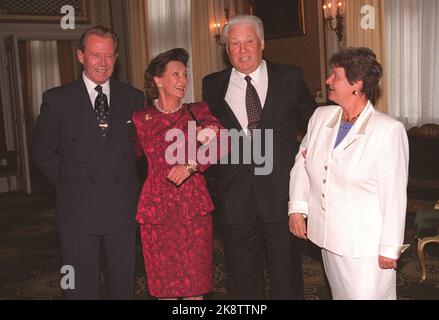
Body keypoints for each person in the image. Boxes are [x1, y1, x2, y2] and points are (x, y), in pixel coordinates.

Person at [202, 14, 316, 299]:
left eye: (249, 41)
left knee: (286, 276)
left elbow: (314, 128)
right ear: (226, 49)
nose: (242, 50)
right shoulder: (212, 84)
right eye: (234, 43)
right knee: (242, 279)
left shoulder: (291, 77)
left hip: (280, 195)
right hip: (235, 196)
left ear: (262, 43)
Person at [32, 26, 145, 299]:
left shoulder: (134, 98)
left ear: (116, 58)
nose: (103, 63)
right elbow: (43, 152)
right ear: (80, 56)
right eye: (96, 55)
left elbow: (140, 151)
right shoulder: (56, 99)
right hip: (77, 208)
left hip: (122, 207)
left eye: (109, 56)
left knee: (123, 288)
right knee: (78, 289)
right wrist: (70, 182)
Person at [289, 47, 409, 300]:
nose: (327, 81)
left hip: (365, 248)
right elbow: (301, 162)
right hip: (327, 239)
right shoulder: (320, 117)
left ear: (357, 83)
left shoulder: (388, 131)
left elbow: (394, 195)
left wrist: (390, 248)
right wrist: (297, 207)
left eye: (335, 76)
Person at [132, 48, 225, 300]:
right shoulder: (141, 119)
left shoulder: (196, 113)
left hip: (192, 209)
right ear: (158, 80)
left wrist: (190, 165)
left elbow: (222, 142)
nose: (183, 80)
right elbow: (127, 157)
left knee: (195, 288)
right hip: (156, 212)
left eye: (184, 74)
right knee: (165, 289)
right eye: (176, 74)